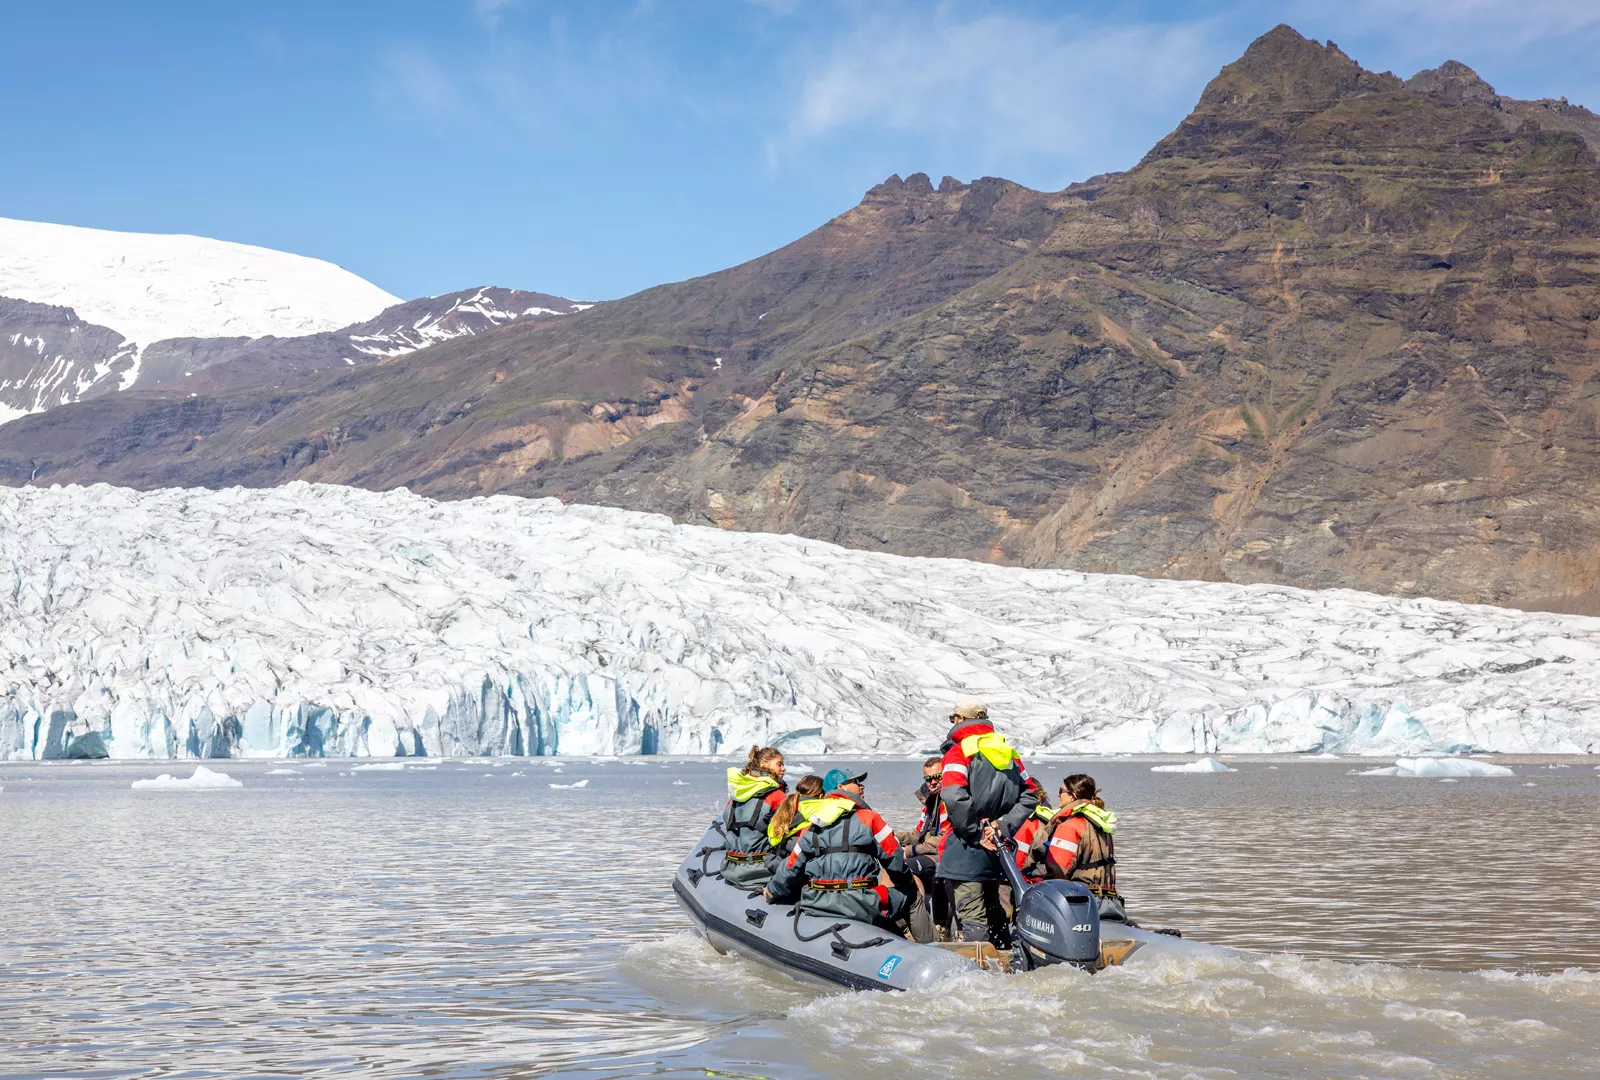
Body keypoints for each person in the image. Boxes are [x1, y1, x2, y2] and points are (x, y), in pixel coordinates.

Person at [935, 697, 1038, 946]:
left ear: (960, 719)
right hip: (998, 850)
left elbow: (952, 794)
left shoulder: (958, 752)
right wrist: (1002, 827)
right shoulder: (1007, 752)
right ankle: (1008, 964)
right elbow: (1030, 794)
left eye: (953, 718)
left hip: (966, 848)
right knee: (995, 914)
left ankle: (979, 974)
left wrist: (975, 832)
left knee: (972, 917)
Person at [765, 768, 914, 933]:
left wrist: (771, 891)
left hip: (817, 902)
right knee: (912, 896)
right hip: (861, 903)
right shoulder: (869, 818)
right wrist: (908, 882)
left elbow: (791, 867)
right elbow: (895, 859)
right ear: (841, 788)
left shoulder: (810, 826)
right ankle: (929, 946)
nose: (861, 786)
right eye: (856, 782)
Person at [1028, 773, 1126, 922]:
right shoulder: (1101, 823)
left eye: (1061, 791)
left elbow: (1058, 871)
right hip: (1109, 901)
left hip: (1080, 904)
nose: (1058, 794)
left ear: (1073, 796)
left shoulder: (1070, 825)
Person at [898, 756, 953, 938]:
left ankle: (930, 925)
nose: (932, 782)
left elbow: (942, 839)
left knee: (907, 865)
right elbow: (918, 833)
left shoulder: (948, 803)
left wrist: (909, 851)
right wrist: (894, 837)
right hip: (929, 854)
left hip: (943, 857)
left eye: (937, 776)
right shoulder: (930, 804)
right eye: (928, 778)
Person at [721, 746, 787, 889]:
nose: (783, 768)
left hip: (731, 867)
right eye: (779, 764)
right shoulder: (777, 796)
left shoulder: (737, 794)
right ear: (764, 765)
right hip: (760, 871)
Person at [765, 773, 825, 870]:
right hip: (798, 867)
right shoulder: (817, 812)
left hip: (779, 863)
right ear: (822, 796)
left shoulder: (784, 809)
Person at [1010, 788, 1055, 885]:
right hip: (1045, 876)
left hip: (1024, 878)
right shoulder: (1051, 818)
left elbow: (1019, 860)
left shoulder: (1030, 822)